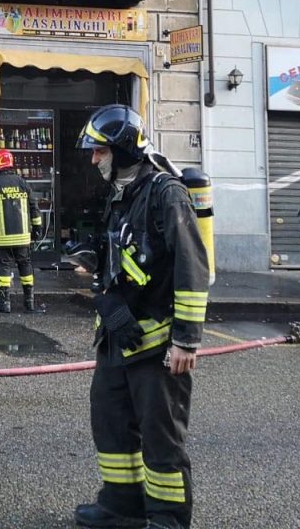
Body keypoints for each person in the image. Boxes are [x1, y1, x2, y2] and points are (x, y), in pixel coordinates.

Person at [72, 105, 210, 529]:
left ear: (123, 150)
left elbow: (192, 267)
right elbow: (128, 254)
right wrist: (95, 263)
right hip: (118, 334)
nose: (94, 160)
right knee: (110, 421)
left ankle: (167, 517)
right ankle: (122, 505)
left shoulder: (166, 193)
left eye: (100, 152)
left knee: (160, 434)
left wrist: (186, 340)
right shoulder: (123, 191)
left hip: (157, 344)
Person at [0, 148, 42, 313]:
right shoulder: (22, 182)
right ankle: (29, 302)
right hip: (22, 236)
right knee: (25, 266)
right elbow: (34, 206)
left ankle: (5, 303)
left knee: (3, 267)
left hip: (1, 237)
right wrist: (37, 227)